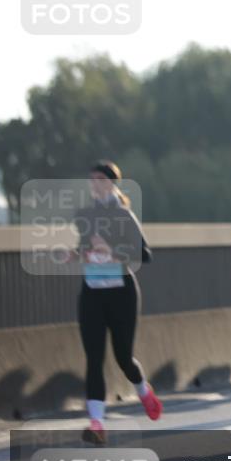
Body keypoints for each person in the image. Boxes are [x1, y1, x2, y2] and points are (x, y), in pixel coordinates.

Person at [73, 162, 162, 445]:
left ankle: (143, 390)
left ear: (112, 184)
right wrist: (76, 254)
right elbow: (85, 247)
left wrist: (112, 252)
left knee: (123, 357)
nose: (95, 185)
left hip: (121, 292)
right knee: (94, 358)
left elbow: (144, 255)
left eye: (100, 180)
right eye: (92, 180)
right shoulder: (84, 215)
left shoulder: (124, 216)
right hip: (92, 293)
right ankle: (97, 424)